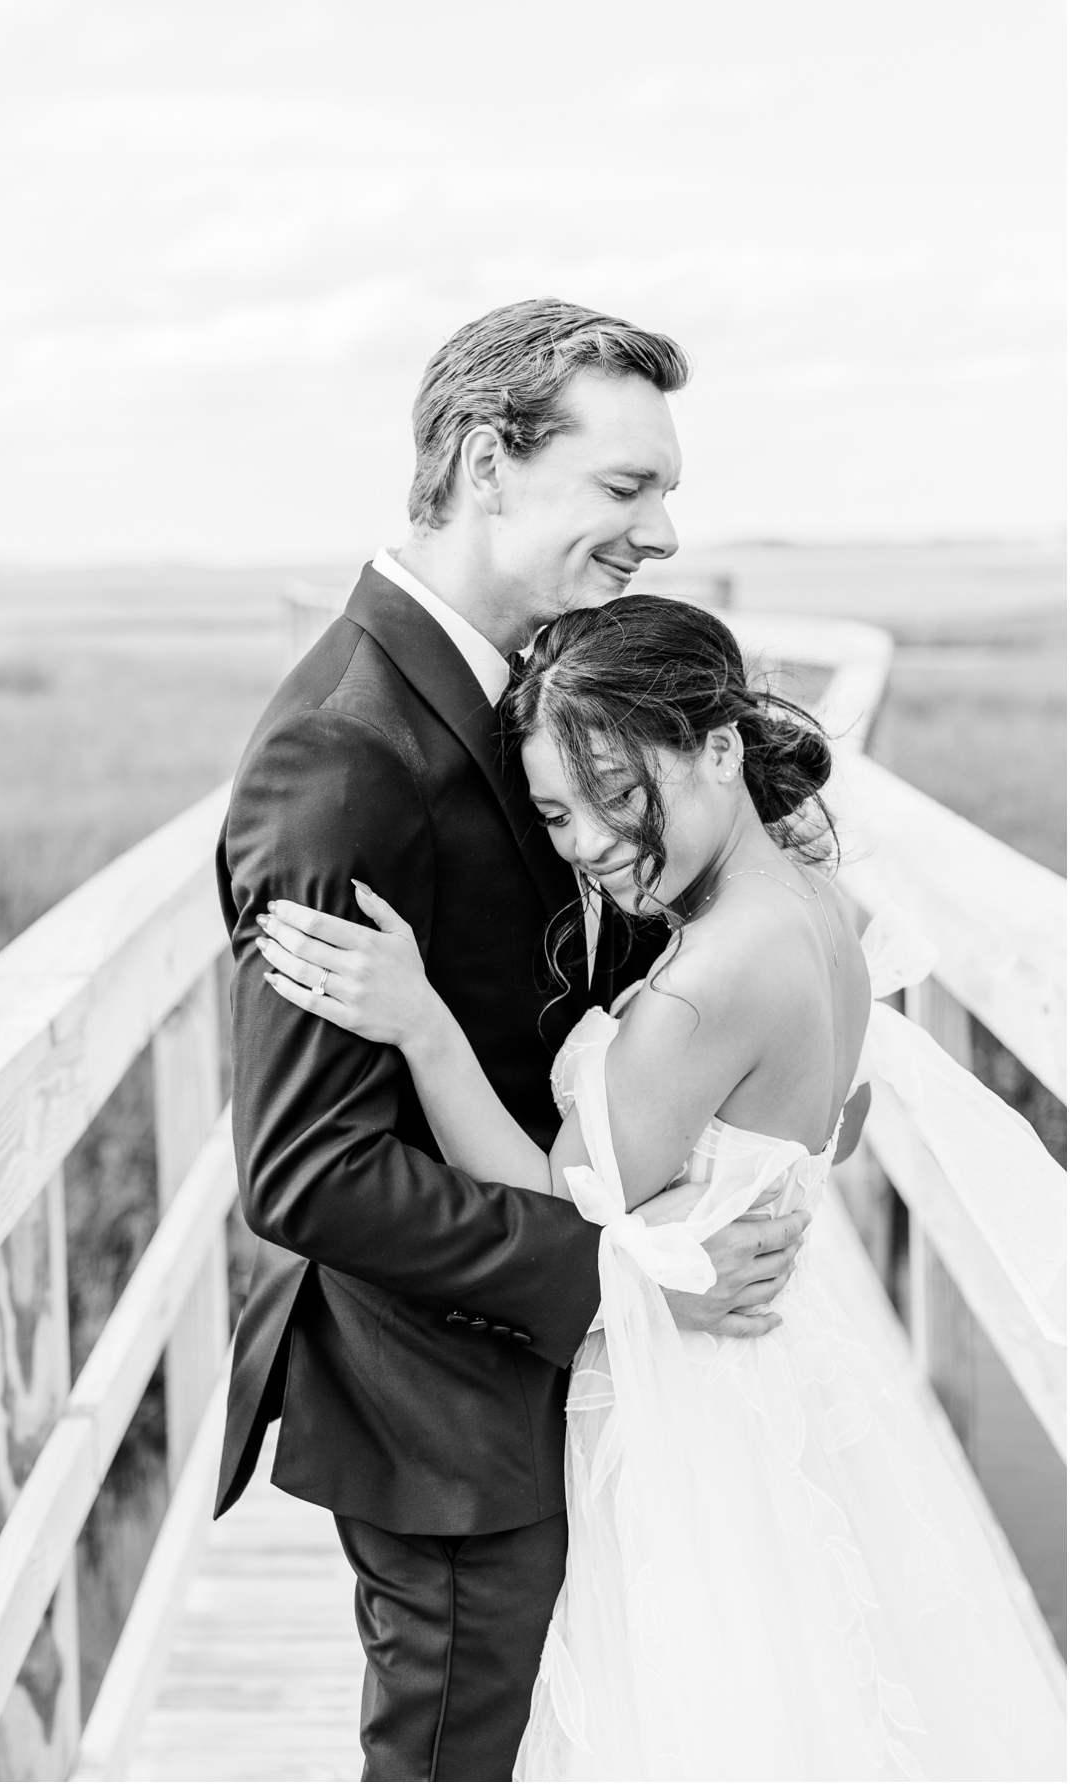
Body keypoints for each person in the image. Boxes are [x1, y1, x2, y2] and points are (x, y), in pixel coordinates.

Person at [258, 595, 1067, 1781]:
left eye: (616, 794)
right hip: (775, 1354)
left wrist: (423, 1027)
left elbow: (547, 1190)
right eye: (552, 813)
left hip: (691, 1406)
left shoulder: (709, 981)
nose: (584, 839)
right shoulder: (814, 904)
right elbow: (837, 1119)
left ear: (719, 748)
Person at [214, 300, 813, 1781]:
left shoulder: (511, 685)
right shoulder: (340, 758)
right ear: (490, 459)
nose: (664, 530)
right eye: (628, 487)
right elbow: (307, 1171)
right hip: (450, 1424)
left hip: (566, 1396)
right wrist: (626, 1277)